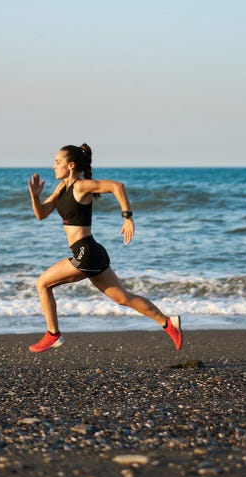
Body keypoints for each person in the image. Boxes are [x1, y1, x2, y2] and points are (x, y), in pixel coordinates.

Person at [26, 143, 183, 353]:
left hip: (86, 253)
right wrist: (35, 196)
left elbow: (117, 186)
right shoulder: (61, 188)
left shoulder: (81, 187)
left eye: (57, 162)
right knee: (123, 298)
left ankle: (53, 334)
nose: (53, 166)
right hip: (92, 252)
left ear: (70, 165)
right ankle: (167, 323)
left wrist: (127, 217)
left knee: (42, 284)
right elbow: (40, 214)